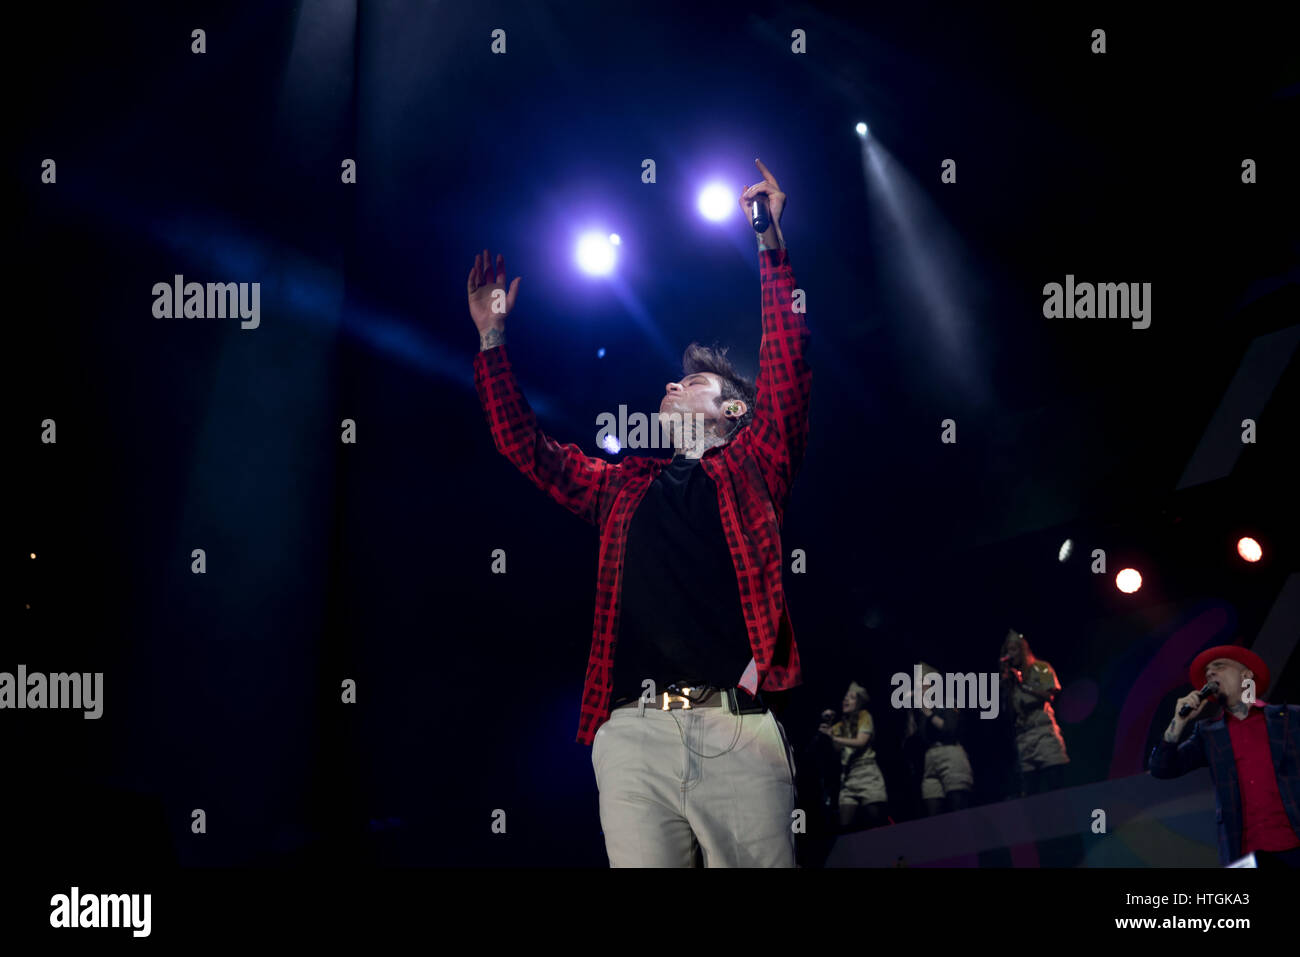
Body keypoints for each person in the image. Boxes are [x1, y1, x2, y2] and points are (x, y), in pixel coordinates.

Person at [467, 159, 811, 867]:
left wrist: (771, 246)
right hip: (628, 734)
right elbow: (523, 446)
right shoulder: (622, 487)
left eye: (692, 381)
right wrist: (492, 340)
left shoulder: (755, 464)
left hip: (733, 727)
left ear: (732, 411)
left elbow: (787, 361)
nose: (670, 384)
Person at [1148, 645, 1300, 867]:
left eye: (1219, 666)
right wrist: (1178, 724)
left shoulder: (1290, 718)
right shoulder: (1208, 733)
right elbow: (1161, 768)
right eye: (1207, 672)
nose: (1210, 674)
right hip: (1246, 855)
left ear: (1246, 675)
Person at [1000, 629, 1069, 795]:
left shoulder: (1041, 668)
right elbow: (1007, 713)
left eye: (1014, 650)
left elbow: (1049, 695)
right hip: (1023, 738)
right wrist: (1005, 685)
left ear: (1022, 650)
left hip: (1044, 733)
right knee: (1030, 791)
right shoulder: (1010, 680)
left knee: (1055, 786)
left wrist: (1024, 685)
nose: (1011, 655)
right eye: (1008, 651)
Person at [903, 662, 974, 815]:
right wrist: (910, 713)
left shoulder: (946, 702)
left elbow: (949, 728)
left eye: (922, 683)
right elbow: (912, 739)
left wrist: (927, 712)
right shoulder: (920, 711)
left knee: (958, 807)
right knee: (932, 808)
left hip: (950, 753)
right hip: (930, 759)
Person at [822, 682, 889, 831]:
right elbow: (837, 749)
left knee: (876, 823)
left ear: (858, 702)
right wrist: (830, 729)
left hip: (867, 773)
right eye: (845, 697)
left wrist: (834, 738)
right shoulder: (839, 725)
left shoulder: (864, 716)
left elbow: (861, 742)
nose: (846, 700)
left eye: (851, 697)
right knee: (845, 825)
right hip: (849, 776)